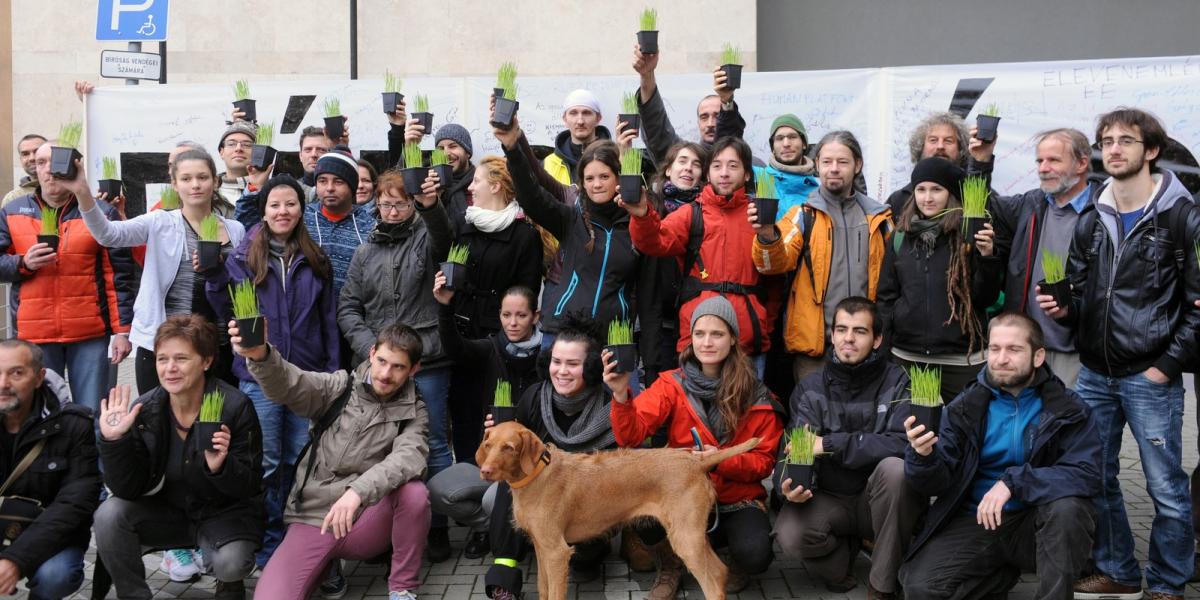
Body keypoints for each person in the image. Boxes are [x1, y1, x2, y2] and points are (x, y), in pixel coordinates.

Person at [1040, 108, 1200, 600]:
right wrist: (1065, 306)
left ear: (1151, 151)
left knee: (1166, 490)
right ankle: (1120, 573)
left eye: (1126, 141)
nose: (1113, 149)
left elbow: (1198, 308)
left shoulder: (1184, 216)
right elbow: (1084, 288)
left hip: (1149, 375)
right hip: (1094, 373)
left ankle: (1169, 584)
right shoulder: (1093, 215)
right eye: (1107, 141)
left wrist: (1165, 367)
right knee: (1099, 478)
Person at [899, 313, 1101, 600]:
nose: (1001, 358)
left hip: (1039, 522)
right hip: (977, 519)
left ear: (1038, 355)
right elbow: (936, 483)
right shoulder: (965, 407)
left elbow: (1087, 474)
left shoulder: (1068, 409)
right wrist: (923, 456)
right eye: (995, 349)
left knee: (1069, 509)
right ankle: (997, 574)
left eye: (1014, 349)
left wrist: (1013, 482)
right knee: (920, 587)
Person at [235, 321, 431, 600]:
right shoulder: (340, 386)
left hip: (366, 518)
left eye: (398, 367)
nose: (385, 374)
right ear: (372, 353)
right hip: (315, 516)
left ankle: (402, 588)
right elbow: (292, 384)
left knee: (414, 494)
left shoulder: (415, 411)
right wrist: (261, 355)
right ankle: (327, 567)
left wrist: (357, 492)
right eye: (382, 361)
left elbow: (408, 457)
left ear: (414, 369)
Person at [202, 174, 339, 568]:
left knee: (301, 461)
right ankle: (267, 545)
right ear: (262, 210)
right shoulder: (243, 259)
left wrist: (331, 373)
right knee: (266, 461)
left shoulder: (316, 259)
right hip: (259, 377)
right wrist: (212, 275)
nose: (283, 211)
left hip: (306, 376)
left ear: (302, 208)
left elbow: (328, 322)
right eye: (275, 204)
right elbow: (221, 307)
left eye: (291, 204)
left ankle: (304, 549)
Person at [430, 318, 618, 600]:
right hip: (532, 494)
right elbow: (514, 450)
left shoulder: (610, 407)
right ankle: (507, 566)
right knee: (485, 485)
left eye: (572, 364)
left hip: (583, 506)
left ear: (590, 367)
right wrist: (495, 435)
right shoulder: (534, 396)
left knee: (582, 559)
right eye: (556, 361)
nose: (561, 371)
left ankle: (563, 545)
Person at [607, 296, 784, 596]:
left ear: (732, 340)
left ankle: (731, 560)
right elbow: (631, 436)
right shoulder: (672, 384)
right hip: (681, 496)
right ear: (690, 339)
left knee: (756, 553)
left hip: (734, 498)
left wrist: (720, 461)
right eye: (700, 333)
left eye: (717, 334)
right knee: (639, 504)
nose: (707, 342)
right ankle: (670, 563)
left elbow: (764, 462)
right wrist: (621, 394)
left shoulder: (757, 396)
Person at [94, 315, 263, 600]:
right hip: (165, 512)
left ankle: (229, 581)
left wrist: (221, 466)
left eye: (181, 359)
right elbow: (126, 488)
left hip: (220, 514)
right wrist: (114, 441)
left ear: (206, 361)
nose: (170, 368)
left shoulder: (234, 406)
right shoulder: (146, 409)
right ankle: (133, 594)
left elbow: (250, 485)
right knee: (109, 515)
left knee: (232, 563)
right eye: (162, 359)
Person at [337, 168, 455, 561]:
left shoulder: (426, 237)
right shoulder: (365, 250)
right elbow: (349, 306)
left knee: (434, 442)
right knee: (379, 446)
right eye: (384, 204)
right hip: (377, 363)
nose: (390, 211)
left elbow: (445, 238)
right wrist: (372, 349)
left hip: (427, 358)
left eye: (399, 204)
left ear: (411, 204)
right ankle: (380, 530)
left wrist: (430, 207)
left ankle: (436, 527)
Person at [773, 297, 918, 599]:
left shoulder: (898, 381)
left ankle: (882, 585)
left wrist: (828, 444)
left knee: (896, 470)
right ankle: (845, 552)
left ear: (877, 339)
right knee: (790, 535)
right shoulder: (810, 388)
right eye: (841, 329)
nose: (848, 338)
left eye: (860, 331)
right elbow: (792, 448)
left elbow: (903, 444)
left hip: (876, 498)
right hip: (829, 499)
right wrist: (784, 485)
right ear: (832, 334)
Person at [77, 148, 246, 393]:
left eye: (203, 177)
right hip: (165, 345)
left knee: (216, 418)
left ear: (215, 181)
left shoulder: (235, 229)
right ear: (174, 184)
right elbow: (108, 234)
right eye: (186, 179)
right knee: (160, 421)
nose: (195, 185)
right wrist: (82, 191)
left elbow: (240, 283)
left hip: (219, 344)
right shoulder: (159, 222)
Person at [0, 142, 135, 410]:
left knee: (93, 413)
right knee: (39, 414)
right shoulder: (12, 211)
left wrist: (122, 331)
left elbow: (117, 276)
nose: (49, 169)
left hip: (89, 335)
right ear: (34, 170)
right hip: (34, 335)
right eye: (41, 163)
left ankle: (91, 454)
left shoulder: (100, 213)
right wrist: (23, 263)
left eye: (56, 161)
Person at [750, 130, 892, 383]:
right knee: (812, 421)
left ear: (857, 165)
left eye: (842, 162)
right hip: (815, 351)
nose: (833, 169)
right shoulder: (803, 215)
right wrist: (766, 235)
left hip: (865, 347)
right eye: (827, 162)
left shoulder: (879, 220)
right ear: (817, 165)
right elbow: (771, 265)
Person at [625, 136, 773, 373]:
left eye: (733, 166)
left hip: (748, 338)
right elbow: (655, 242)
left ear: (747, 174)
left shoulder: (759, 216)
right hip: (696, 339)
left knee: (747, 409)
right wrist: (642, 215)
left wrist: (763, 323)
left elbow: (775, 271)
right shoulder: (691, 214)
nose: (724, 173)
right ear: (708, 173)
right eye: (716, 166)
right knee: (692, 409)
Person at [496, 116, 639, 358]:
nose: (596, 184)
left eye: (604, 177)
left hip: (612, 339)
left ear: (618, 177)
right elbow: (532, 197)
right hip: (562, 333)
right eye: (589, 179)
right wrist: (512, 149)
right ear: (581, 183)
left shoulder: (637, 225)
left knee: (624, 396)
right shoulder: (571, 219)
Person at [877, 157, 1001, 400]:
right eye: (921, 190)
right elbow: (886, 297)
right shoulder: (900, 237)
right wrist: (884, 350)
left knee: (962, 432)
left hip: (961, 360)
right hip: (908, 357)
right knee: (910, 433)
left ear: (951, 194)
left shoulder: (968, 234)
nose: (928, 197)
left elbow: (985, 297)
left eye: (936, 189)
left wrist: (987, 257)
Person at [982, 128, 1094, 387]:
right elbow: (980, 204)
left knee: (1072, 425)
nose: (1044, 168)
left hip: (1080, 353)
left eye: (1054, 160)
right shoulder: (1030, 204)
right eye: (1039, 161)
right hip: (1029, 349)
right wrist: (981, 161)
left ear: (1081, 163)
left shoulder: (1103, 210)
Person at [0, 340, 99, 600]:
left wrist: (16, 559)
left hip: (50, 532)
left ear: (39, 377)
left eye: (16, 373)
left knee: (56, 576)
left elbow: (75, 504)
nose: (3, 384)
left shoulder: (74, 425)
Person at [634, 141, 709, 385]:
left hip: (694, 319)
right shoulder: (650, 206)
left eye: (696, 164)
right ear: (668, 169)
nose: (689, 169)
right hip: (657, 319)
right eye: (683, 161)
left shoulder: (706, 213)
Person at [631, 44, 724, 164]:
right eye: (704, 117)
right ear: (698, 122)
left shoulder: (752, 165)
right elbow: (658, 130)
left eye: (717, 116)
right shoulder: (684, 158)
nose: (711, 124)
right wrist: (647, 74)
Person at [303, 150, 375, 297]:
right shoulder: (301, 220)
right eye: (322, 181)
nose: (329, 188)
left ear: (352, 186)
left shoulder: (369, 226)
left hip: (355, 315)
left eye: (338, 181)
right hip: (309, 315)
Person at [886, 112, 972, 214]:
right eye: (933, 140)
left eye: (948, 141)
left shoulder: (977, 199)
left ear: (961, 148)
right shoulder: (899, 201)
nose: (940, 146)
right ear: (921, 147)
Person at [543, 90, 611, 185]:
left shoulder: (614, 157)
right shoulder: (549, 164)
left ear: (598, 118)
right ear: (565, 119)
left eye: (586, 113)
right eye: (573, 113)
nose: (580, 121)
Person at [216, 122, 255, 212]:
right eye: (231, 144)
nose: (238, 148)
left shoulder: (268, 191)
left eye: (247, 145)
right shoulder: (207, 193)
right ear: (221, 152)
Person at [2, 134, 45, 206]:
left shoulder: (67, 190)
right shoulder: (12, 198)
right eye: (25, 154)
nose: (32, 158)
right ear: (21, 160)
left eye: (37, 151)